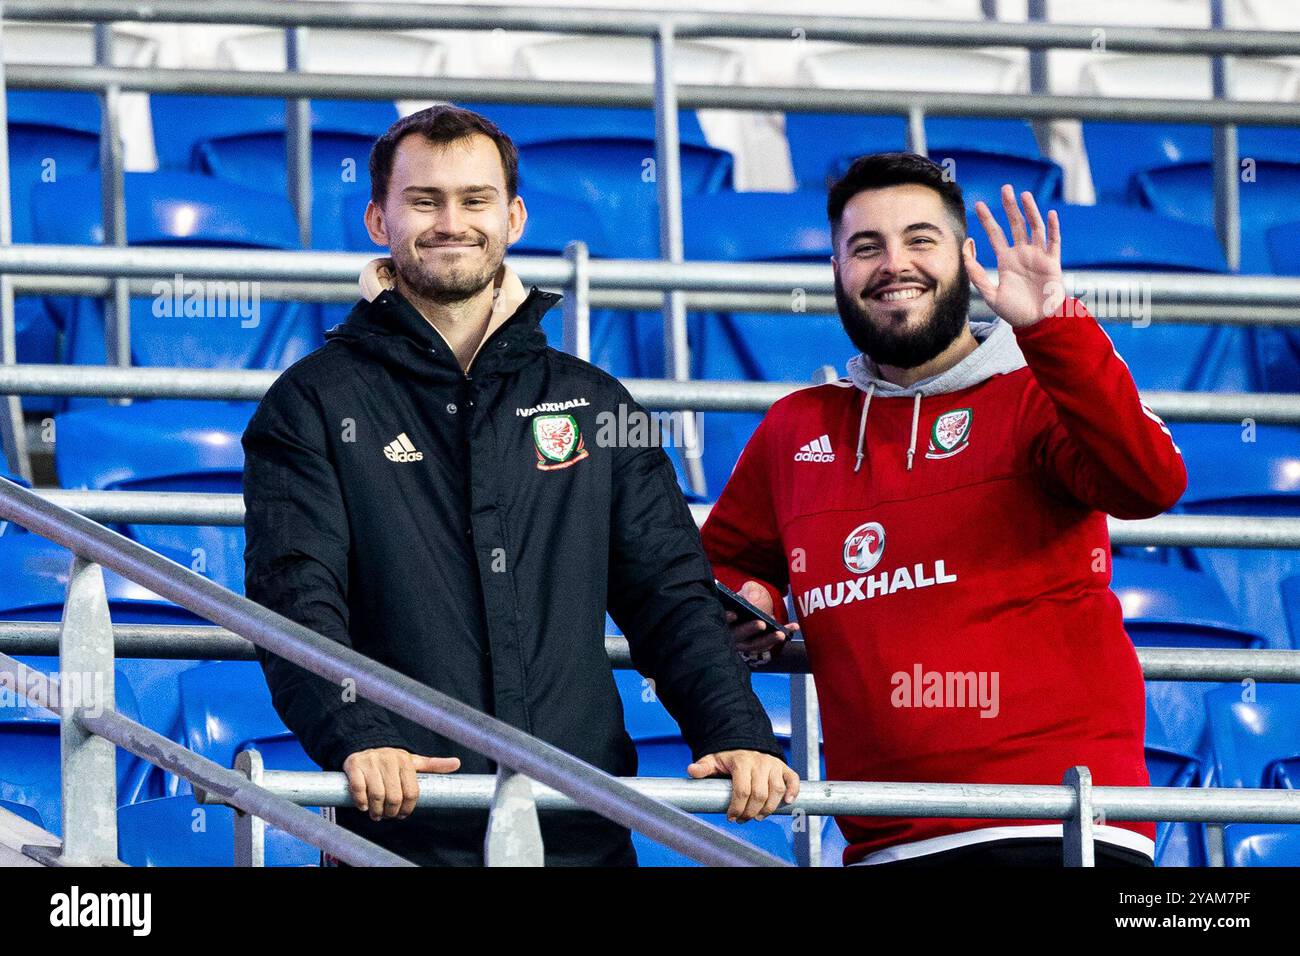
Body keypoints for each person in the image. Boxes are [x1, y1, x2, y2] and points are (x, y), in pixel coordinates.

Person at [242, 105, 797, 866]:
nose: (451, 222)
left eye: (475, 200)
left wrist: (733, 729)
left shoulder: (598, 404)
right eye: (423, 200)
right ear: (378, 218)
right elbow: (296, 597)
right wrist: (359, 733)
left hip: (579, 828)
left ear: (514, 217)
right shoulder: (311, 402)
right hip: (403, 827)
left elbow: (670, 592)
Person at [702, 152, 1187, 867]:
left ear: (965, 258)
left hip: (1055, 827)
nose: (894, 264)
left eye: (920, 240)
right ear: (836, 272)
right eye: (866, 248)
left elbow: (1150, 483)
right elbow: (721, 564)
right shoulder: (797, 428)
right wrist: (751, 600)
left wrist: (1054, 324)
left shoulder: (1039, 389)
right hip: (882, 842)